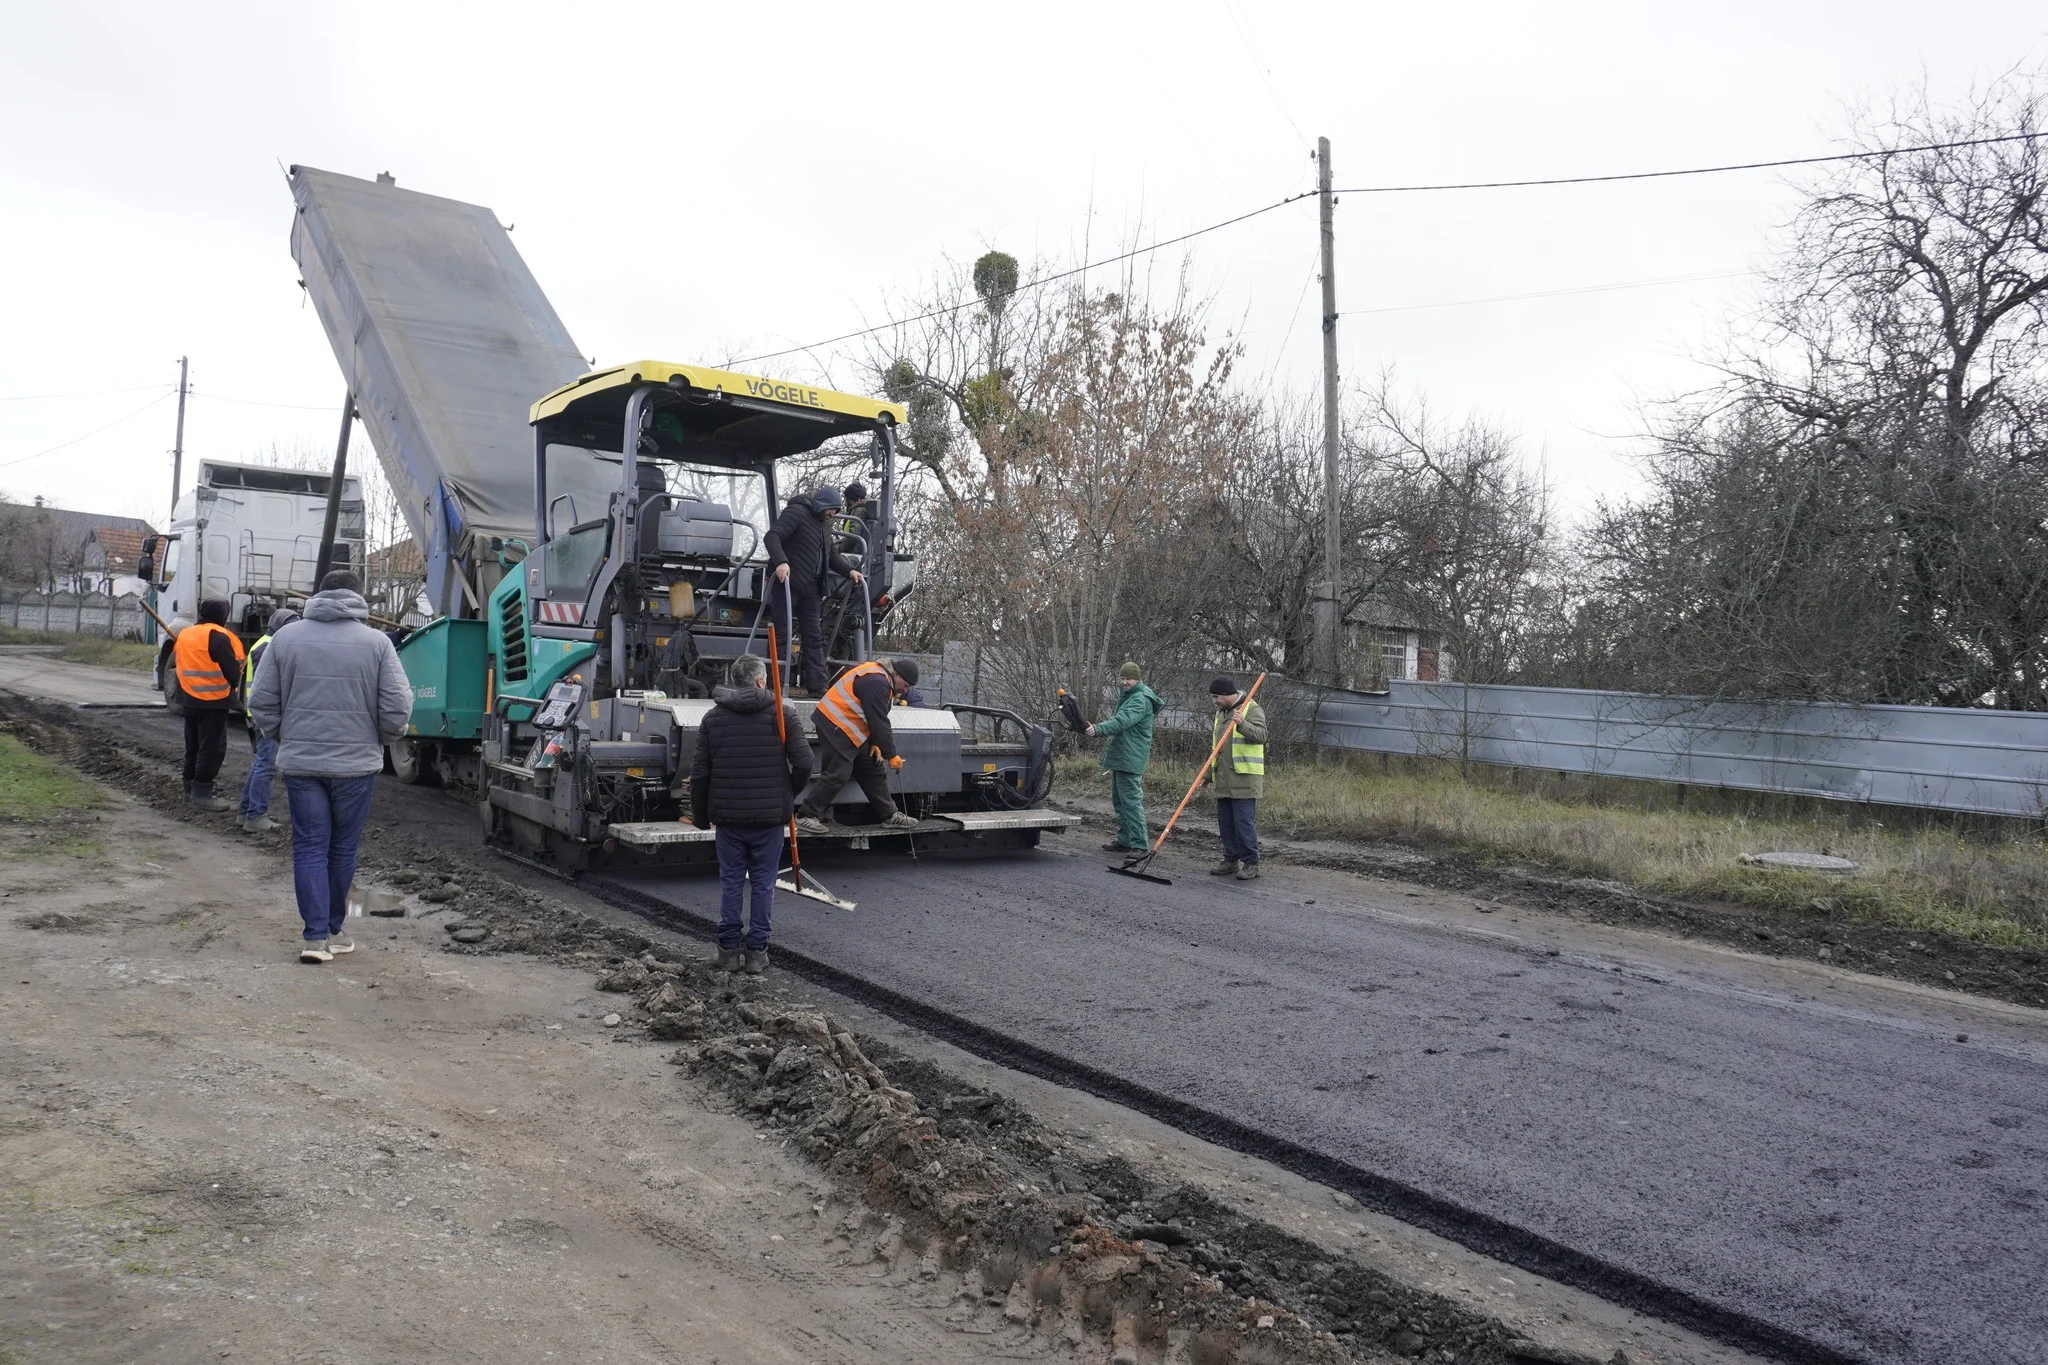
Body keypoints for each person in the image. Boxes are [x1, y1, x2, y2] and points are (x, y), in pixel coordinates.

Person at [248, 570, 412, 964]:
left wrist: (282, 735)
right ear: (359, 599)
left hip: (301, 764)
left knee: (308, 846)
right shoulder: (376, 644)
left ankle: (314, 939)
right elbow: (397, 706)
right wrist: (384, 740)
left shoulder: (286, 638)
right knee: (341, 848)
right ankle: (335, 930)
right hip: (356, 767)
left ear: (317, 595)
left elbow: (260, 700)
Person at [689, 654, 814, 976]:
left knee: (731, 881)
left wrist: (701, 817)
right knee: (762, 884)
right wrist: (789, 795)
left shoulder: (713, 719)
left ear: (734, 682)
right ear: (761, 681)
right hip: (769, 819)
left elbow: (700, 774)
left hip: (729, 819)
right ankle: (757, 953)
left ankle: (728, 952)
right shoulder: (783, 716)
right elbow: (804, 762)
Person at [794, 657, 921, 833]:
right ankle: (805, 815)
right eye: (905, 684)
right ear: (896, 674)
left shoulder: (884, 679)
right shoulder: (877, 682)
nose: (906, 690)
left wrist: (876, 744)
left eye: (909, 687)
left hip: (848, 725)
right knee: (838, 772)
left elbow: (876, 715)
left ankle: (890, 815)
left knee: (871, 766)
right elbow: (879, 722)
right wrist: (891, 755)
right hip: (833, 722)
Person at [763, 486, 864, 696]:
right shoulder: (796, 512)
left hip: (813, 587)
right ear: (823, 504)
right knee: (781, 634)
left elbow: (831, 556)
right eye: (832, 510)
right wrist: (781, 562)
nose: (833, 514)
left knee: (814, 636)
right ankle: (776, 687)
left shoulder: (824, 525)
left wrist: (850, 571)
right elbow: (772, 536)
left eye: (836, 511)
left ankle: (817, 687)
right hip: (787, 583)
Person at [173, 598, 246, 812]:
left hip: (188, 698)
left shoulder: (186, 634)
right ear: (222, 615)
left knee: (193, 745)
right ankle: (202, 793)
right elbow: (232, 675)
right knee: (211, 749)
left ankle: (188, 789)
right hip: (213, 700)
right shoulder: (219, 637)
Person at [1086, 661, 1163, 853]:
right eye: (1122, 678)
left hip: (1130, 758)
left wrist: (1098, 729)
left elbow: (1121, 721)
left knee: (1130, 802)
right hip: (1123, 756)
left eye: (1128, 678)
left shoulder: (1140, 700)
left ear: (1137, 679)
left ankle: (1139, 844)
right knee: (1120, 801)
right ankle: (1125, 839)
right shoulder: (1132, 695)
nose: (1124, 682)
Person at [236, 606, 298, 833]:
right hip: (265, 716)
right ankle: (255, 816)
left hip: (259, 714)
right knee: (266, 766)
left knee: (261, 764)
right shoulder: (268, 646)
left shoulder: (265, 643)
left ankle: (245, 813)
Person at [1203, 676, 1268, 880]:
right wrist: (1208, 775)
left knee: (1243, 823)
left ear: (1226, 695)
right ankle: (1231, 860)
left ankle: (1252, 863)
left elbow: (1261, 736)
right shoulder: (1220, 714)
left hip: (1245, 777)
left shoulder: (1251, 709)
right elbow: (1218, 747)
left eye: (1216, 697)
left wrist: (1242, 724)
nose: (1214, 701)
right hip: (1224, 778)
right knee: (1226, 823)